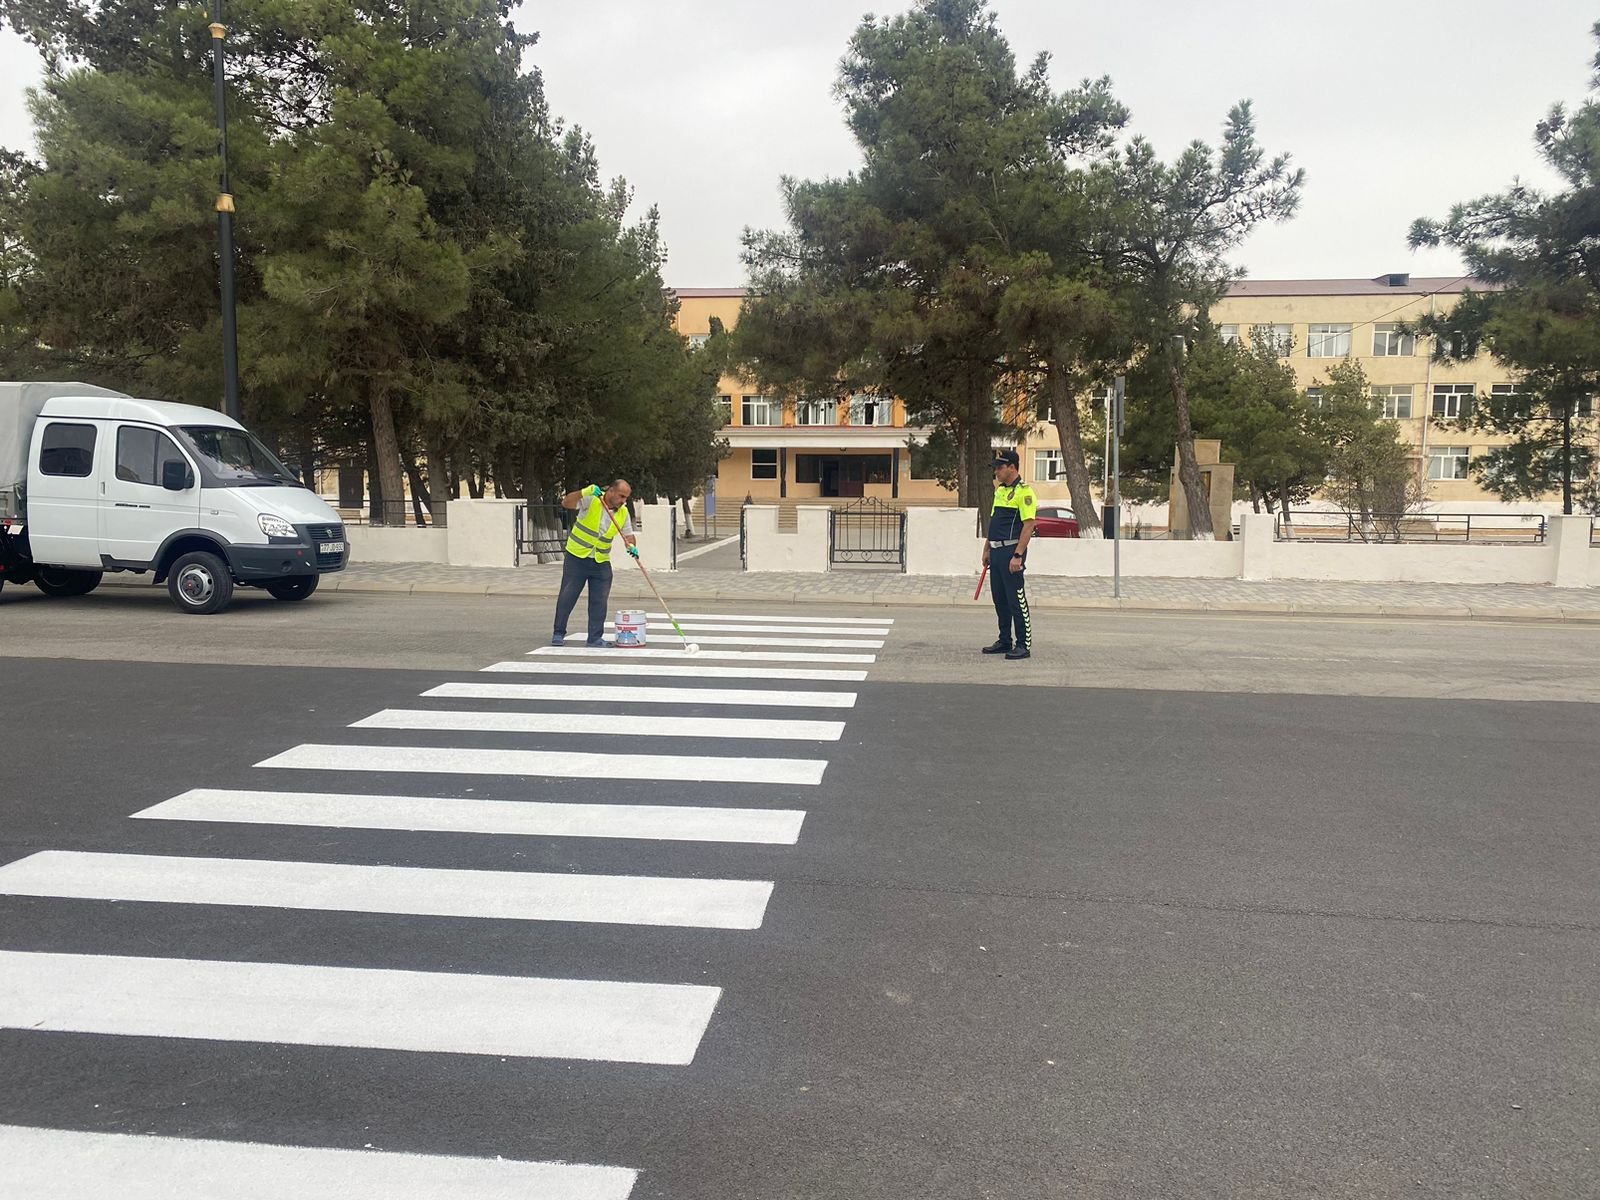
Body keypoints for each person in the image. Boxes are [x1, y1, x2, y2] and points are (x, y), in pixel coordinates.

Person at [552, 479, 638, 647]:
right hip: (577, 557)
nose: (623, 501)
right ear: (611, 491)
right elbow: (566, 503)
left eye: (626, 498)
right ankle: (558, 633)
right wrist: (584, 492)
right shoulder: (592, 500)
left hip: (601, 560)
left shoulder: (623, 513)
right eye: (621, 496)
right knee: (567, 597)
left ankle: (594, 637)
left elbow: (628, 534)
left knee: (599, 601)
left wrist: (632, 545)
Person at [981, 449, 1036, 660]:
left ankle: (1023, 644)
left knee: (1016, 599)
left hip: (1011, 551)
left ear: (1012, 467)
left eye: (1000, 467)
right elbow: (994, 521)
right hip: (996, 550)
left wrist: (1018, 555)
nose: (996, 471)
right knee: (1000, 599)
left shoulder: (1024, 492)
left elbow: (1029, 525)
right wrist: (987, 548)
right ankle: (1005, 640)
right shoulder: (1000, 491)